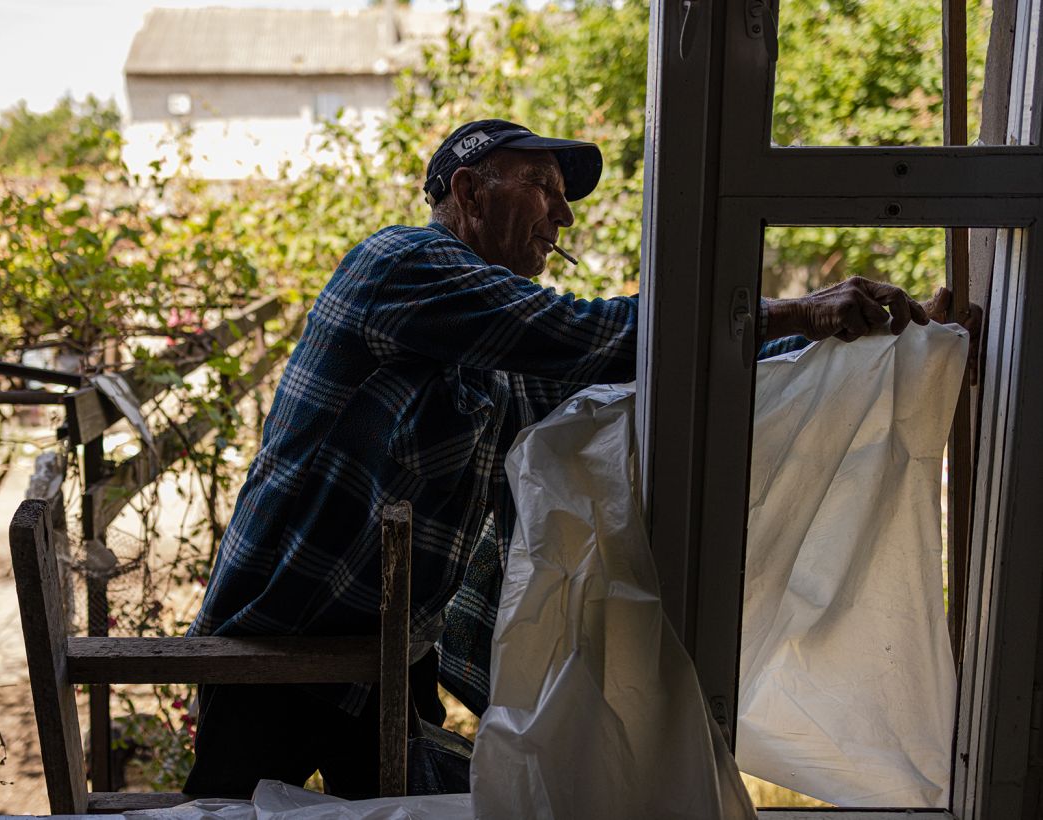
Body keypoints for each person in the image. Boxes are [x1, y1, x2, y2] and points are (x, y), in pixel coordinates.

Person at [181, 119, 967, 798]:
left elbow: (639, 375)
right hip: (278, 642)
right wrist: (794, 308)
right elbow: (591, 336)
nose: (562, 215)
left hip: (383, 651)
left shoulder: (499, 356)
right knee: (218, 811)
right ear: (471, 192)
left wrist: (855, 338)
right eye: (543, 187)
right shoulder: (399, 266)